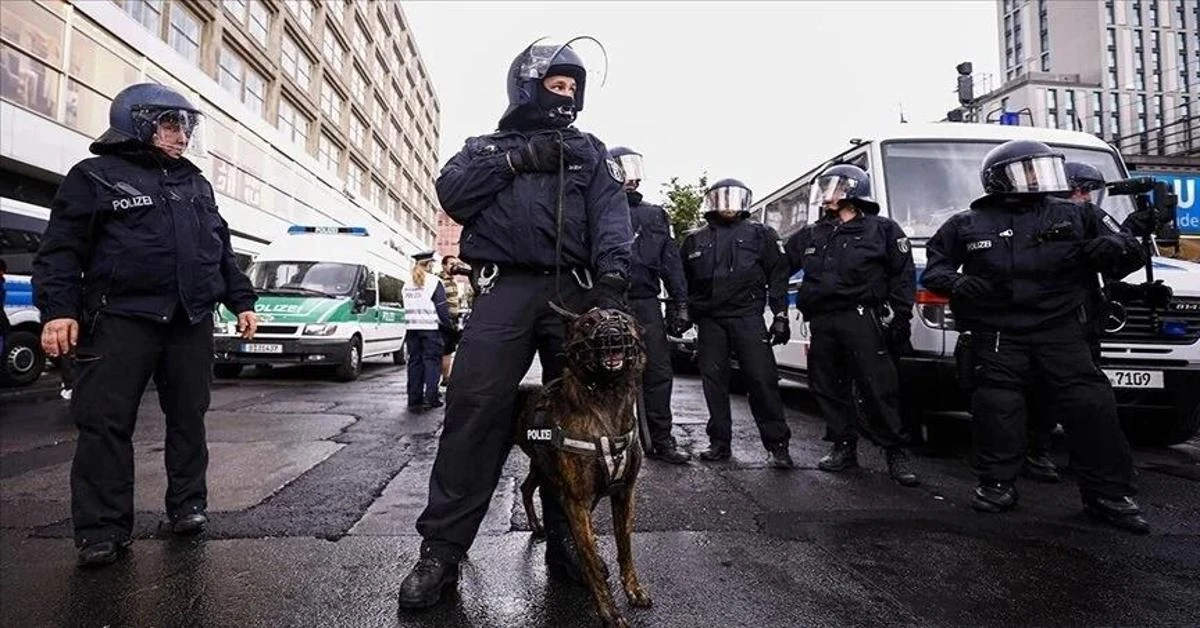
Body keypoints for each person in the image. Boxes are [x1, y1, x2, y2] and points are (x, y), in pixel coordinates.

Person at [397, 39, 632, 609]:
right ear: (526, 85)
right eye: (558, 84)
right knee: (477, 408)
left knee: (568, 423)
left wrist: (612, 284)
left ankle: (567, 543)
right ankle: (443, 551)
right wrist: (515, 160)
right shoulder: (484, 147)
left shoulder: (590, 152)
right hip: (503, 291)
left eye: (574, 87)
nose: (569, 94)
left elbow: (610, 214)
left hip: (574, 294)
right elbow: (452, 195)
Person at [31, 82, 259, 566]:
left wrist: (241, 301)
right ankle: (102, 531)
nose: (183, 136)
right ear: (138, 121)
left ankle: (188, 507)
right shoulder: (94, 176)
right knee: (104, 424)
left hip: (189, 319)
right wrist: (58, 311)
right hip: (119, 318)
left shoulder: (195, 183)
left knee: (188, 419)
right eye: (172, 124)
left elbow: (220, 250)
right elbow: (60, 251)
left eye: (186, 126)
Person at [923, 139, 1150, 534]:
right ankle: (996, 485)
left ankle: (1109, 494)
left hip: (1060, 331)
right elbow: (935, 271)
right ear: (999, 178)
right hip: (998, 334)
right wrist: (960, 283)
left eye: (1040, 168)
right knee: (997, 409)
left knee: (1091, 405)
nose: (1037, 178)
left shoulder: (1079, 214)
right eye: (1027, 170)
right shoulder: (967, 223)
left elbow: (1129, 255)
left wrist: (1117, 245)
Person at [783, 164, 919, 487]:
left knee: (877, 386)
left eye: (834, 187)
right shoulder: (813, 233)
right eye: (826, 187)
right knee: (827, 385)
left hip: (862, 317)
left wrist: (901, 317)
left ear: (853, 190)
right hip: (823, 320)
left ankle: (895, 451)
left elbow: (903, 275)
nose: (827, 194)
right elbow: (778, 265)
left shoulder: (882, 230)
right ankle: (844, 445)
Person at [679, 178, 794, 469]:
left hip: (747, 317)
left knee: (761, 380)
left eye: (734, 198)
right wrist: (681, 314)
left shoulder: (761, 234)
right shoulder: (695, 239)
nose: (728, 204)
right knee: (714, 382)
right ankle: (719, 443)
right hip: (710, 320)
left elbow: (778, 275)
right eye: (722, 198)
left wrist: (780, 315)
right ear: (712, 201)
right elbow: (683, 281)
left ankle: (777, 445)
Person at [608, 145, 691, 464]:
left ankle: (661, 439)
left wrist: (680, 303)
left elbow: (671, 261)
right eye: (623, 169)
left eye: (634, 169)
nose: (631, 178)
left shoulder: (656, 215)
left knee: (658, 370)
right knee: (609, 372)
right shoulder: (597, 208)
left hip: (645, 302)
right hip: (609, 301)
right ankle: (610, 439)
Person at [403, 251, 452, 411]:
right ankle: (431, 398)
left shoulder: (407, 283)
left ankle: (414, 399)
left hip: (412, 330)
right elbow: (441, 308)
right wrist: (449, 326)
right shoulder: (434, 281)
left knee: (414, 363)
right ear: (429, 264)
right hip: (430, 329)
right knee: (432, 362)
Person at [437, 254, 471, 387]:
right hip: (444, 319)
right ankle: (445, 378)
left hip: (453, 318)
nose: (454, 266)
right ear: (444, 266)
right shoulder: (440, 281)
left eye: (456, 263)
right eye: (451, 263)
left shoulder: (453, 281)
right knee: (445, 350)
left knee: (449, 350)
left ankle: (446, 377)